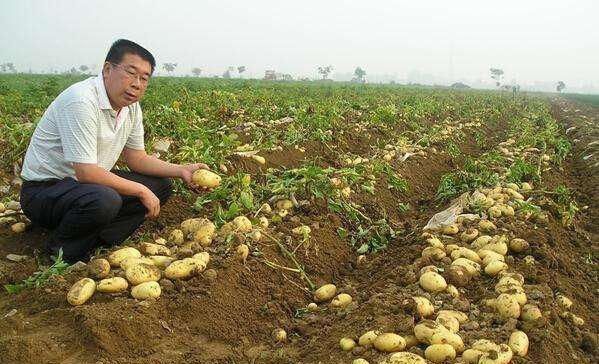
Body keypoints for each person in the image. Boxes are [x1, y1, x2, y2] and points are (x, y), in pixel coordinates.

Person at [19, 39, 207, 263]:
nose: (137, 84)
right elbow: (86, 173)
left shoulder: (130, 108)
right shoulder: (81, 101)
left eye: (144, 78)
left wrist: (181, 170)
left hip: (83, 189)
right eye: (131, 73)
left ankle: (97, 241)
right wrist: (140, 191)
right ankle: (60, 252)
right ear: (107, 69)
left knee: (160, 186)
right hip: (44, 192)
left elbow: (136, 158)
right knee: (105, 199)